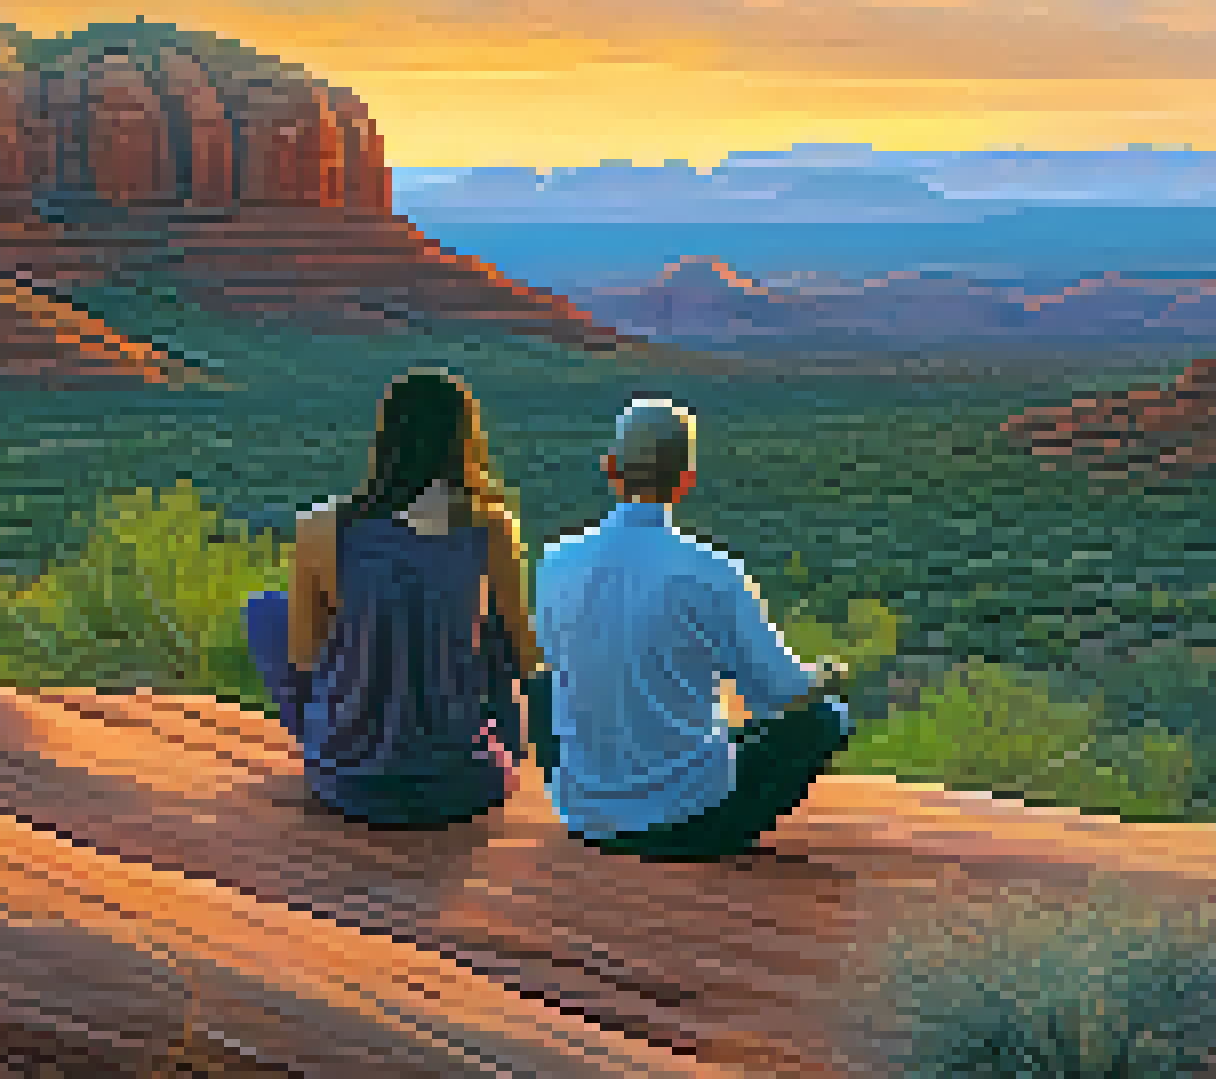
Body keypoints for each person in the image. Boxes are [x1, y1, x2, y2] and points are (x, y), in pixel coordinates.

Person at [531, 397, 852, 861]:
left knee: (545, 684)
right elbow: (778, 693)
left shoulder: (555, 562)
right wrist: (826, 676)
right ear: (686, 479)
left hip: (583, 814)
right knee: (828, 718)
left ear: (611, 468)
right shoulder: (711, 571)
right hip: (686, 816)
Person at [242, 367, 545, 827]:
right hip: (462, 785)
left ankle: (342, 735)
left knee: (266, 611)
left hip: (348, 783)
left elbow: (305, 658)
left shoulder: (321, 528)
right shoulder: (492, 529)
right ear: (465, 442)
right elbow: (524, 658)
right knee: (495, 629)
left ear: (385, 441)